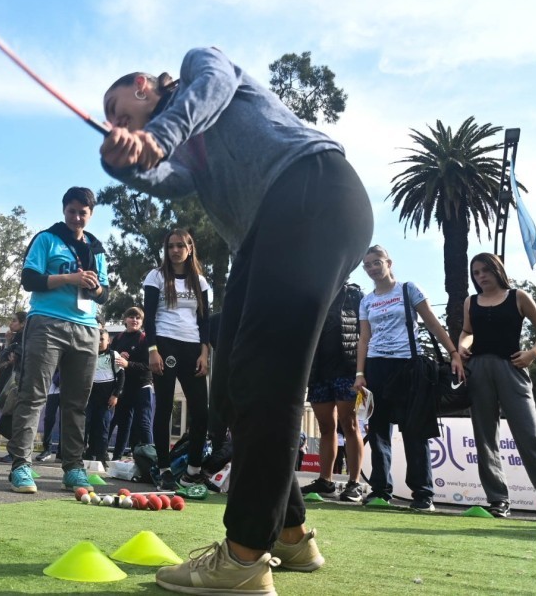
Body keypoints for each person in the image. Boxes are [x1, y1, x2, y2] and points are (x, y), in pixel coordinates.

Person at [99, 47, 373, 593]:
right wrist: (123, 164)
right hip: (269, 232)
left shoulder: (202, 67)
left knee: (268, 379)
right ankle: (290, 533)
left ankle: (245, 557)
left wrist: (155, 138)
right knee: (232, 386)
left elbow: (210, 92)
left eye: (118, 108)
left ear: (143, 83)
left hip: (311, 191)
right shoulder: (187, 148)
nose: (115, 120)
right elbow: (168, 178)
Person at [7, 187, 109, 494]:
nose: (77, 217)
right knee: (34, 395)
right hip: (47, 323)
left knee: (76, 402)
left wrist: (94, 288)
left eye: (83, 213)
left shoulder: (97, 247)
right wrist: (70, 278)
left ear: (91, 215)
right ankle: (21, 466)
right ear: (64, 210)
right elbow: (30, 279)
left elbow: (105, 293)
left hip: (86, 328)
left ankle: (74, 467)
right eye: (72, 211)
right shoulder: (46, 239)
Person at [354, 245, 464, 511]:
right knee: (378, 429)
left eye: (376, 262)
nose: (371, 269)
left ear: (388, 262)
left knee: (415, 429)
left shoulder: (408, 289)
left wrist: (453, 353)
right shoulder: (366, 301)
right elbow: (364, 338)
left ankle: (423, 493)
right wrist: (359, 373)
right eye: (366, 265)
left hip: (409, 367)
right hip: (376, 367)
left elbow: (432, 322)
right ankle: (380, 489)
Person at [458, 253, 536, 521]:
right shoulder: (470, 302)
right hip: (478, 370)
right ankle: (497, 500)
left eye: (485, 270)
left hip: (512, 369)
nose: (481, 276)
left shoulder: (518, 296)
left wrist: (533, 353)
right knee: (485, 438)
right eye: (476, 272)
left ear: (497, 269)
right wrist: (462, 348)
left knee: (529, 437)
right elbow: (467, 332)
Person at [144, 229, 211, 491]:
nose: (175, 250)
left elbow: (205, 321)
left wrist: (205, 353)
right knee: (164, 408)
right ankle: (164, 469)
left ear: (190, 248)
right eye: (170, 246)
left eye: (180, 246)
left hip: (193, 347)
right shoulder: (156, 276)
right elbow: (148, 317)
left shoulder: (201, 282)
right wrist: (152, 350)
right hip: (164, 344)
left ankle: (193, 470)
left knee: (201, 412)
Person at [300, 282, 366, 502]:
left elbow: (365, 332)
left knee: (350, 425)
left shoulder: (354, 295)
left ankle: (354, 483)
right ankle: (325, 481)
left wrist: (362, 371)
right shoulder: (314, 294)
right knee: (326, 428)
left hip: (347, 371)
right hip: (318, 373)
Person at [109, 306, 153, 460]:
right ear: (125, 319)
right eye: (131, 317)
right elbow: (109, 359)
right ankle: (116, 458)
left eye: (138, 318)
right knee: (123, 423)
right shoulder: (118, 338)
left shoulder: (145, 339)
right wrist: (117, 357)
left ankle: (151, 459)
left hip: (142, 386)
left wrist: (128, 364)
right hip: (124, 387)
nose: (134, 320)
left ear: (142, 322)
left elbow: (148, 366)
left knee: (143, 423)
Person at [85, 327, 124, 466]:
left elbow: (121, 377)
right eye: (97, 339)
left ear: (109, 340)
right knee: (86, 425)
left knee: (102, 427)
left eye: (102, 339)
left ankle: (102, 456)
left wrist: (115, 395)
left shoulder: (114, 355)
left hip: (106, 399)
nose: (100, 342)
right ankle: (88, 453)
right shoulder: (88, 354)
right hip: (90, 397)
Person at [0, 311, 26, 460]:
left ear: (23, 323)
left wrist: (14, 356)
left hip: (19, 384)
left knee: (12, 420)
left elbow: (15, 358)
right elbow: (3, 359)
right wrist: (8, 343)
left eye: (14, 321)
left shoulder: (27, 338)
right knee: (5, 420)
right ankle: (16, 451)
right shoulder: (15, 338)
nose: (11, 324)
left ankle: (18, 452)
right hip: (8, 383)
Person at [36, 370, 61, 462]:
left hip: (68, 388)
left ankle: (61, 452)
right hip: (53, 388)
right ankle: (47, 449)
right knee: (48, 419)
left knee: (65, 421)